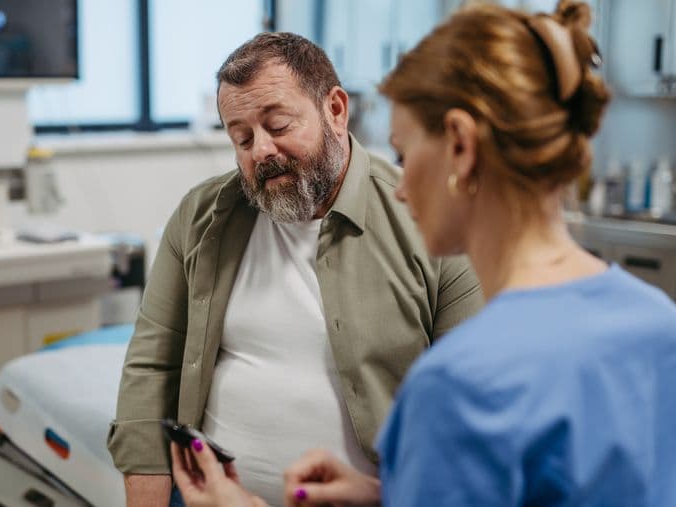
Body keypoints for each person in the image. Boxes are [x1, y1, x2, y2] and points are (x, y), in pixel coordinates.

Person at [169, 2, 676, 506]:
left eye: (405, 156)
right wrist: (384, 495)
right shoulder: (657, 322)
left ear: (460, 146)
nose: (402, 188)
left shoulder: (456, 387)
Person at [107, 32, 483, 506]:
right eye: (241, 138)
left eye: (278, 124)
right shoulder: (203, 216)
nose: (260, 150)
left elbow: (471, 418)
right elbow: (152, 366)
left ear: (336, 110)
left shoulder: (429, 223)